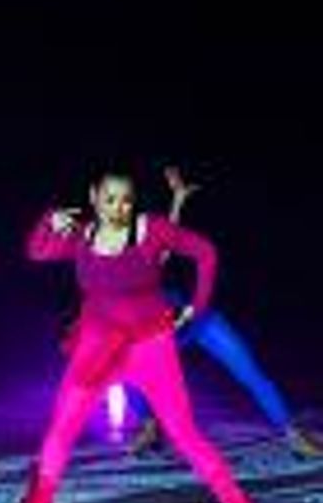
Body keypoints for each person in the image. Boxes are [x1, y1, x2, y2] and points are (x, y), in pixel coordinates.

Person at [9, 167, 257, 503]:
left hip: (150, 346)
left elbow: (206, 252)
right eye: (110, 199)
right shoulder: (82, 236)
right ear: (94, 197)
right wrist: (49, 221)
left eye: (126, 199)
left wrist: (197, 306)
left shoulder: (151, 230)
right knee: (63, 423)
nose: (118, 207)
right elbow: (37, 251)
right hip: (97, 348)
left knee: (181, 429)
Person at [125, 166, 322, 458]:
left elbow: (168, 237)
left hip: (198, 319)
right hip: (161, 333)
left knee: (249, 370)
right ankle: (150, 426)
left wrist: (178, 199)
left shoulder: (147, 251)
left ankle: (293, 433)